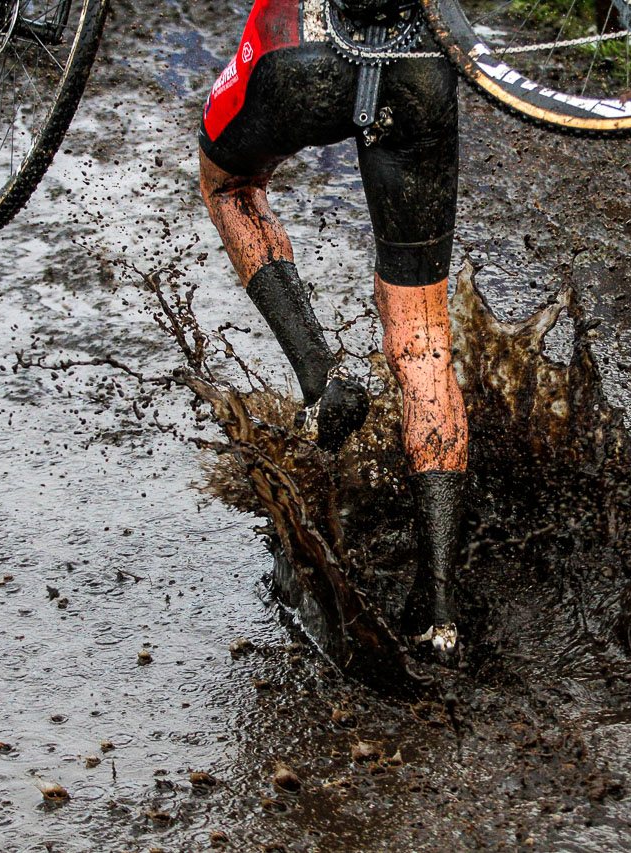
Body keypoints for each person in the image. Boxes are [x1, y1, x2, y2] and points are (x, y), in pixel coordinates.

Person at [198, 0, 467, 661]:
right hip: (419, 57)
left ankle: (321, 378)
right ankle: (440, 615)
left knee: (228, 185)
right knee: (423, 333)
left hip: (302, 46)